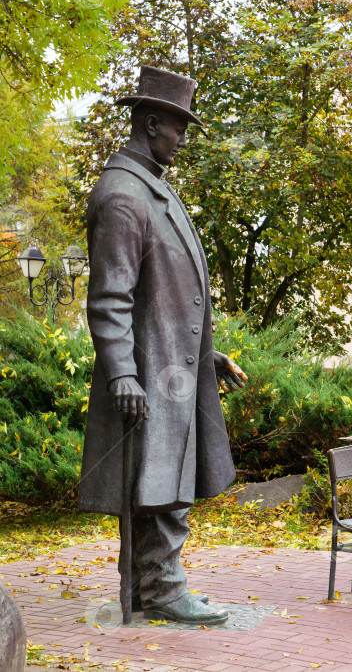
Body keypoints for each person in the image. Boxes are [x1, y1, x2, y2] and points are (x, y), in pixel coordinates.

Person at [78, 66, 247, 625]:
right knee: (157, 484)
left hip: (172, 367)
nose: (183, 140)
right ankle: (162, 590)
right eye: (178, 129)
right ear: (151, 125)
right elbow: (110, 298)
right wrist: (123, 372)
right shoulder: (124, 197)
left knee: (167, 482)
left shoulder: (152, 188)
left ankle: (158, 588)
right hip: (148, 375)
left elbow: (169, 297)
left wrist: (206, 358)